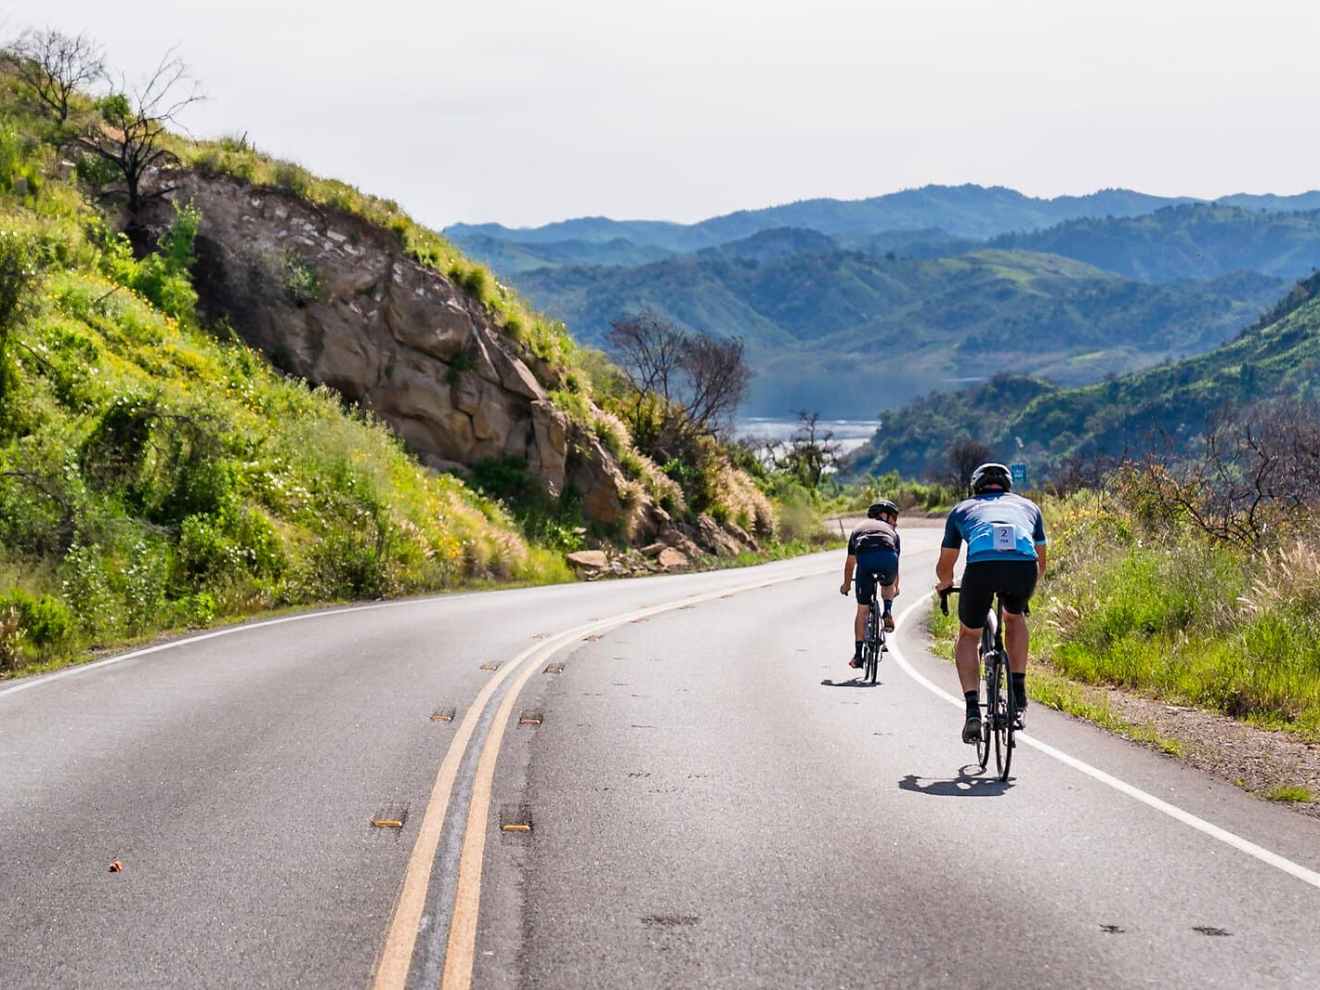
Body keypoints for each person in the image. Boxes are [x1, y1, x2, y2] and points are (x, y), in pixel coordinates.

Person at [935, 463, 1047, 743]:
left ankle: (973, 710)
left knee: (969, 634)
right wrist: (1025, 592)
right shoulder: (1030, 507)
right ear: (1008, 486)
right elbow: (1041, 562)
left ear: (976, 486)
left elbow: (945, 565)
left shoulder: (962, 509)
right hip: (1023, 566)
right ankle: (1019, 696)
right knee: (1014, 617)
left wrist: (945, 584)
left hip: (982, 567)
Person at [840, 499, 901, 670]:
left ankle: (858, 656)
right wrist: (895, 587)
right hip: (888, 559)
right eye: (894, 517)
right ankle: (887, 610)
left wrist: (846, 585)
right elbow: (896, 564)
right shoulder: (892, 532)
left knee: (862, 610)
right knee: (887, 585)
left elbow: (850, 563)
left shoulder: (858, 528)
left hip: (865, 561)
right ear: (885, 516)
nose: (895, 522)